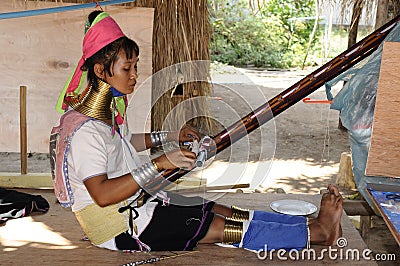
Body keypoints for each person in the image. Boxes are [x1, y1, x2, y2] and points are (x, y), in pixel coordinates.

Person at [50, 10, 343, 253]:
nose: (135, 75)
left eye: (135, 66)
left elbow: (123, 145)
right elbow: (101, 195)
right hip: (119, 227)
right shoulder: (86, 131)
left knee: (212, 208)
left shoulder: (105, 115)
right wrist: (160, 163)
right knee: (215, 227)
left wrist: (169, 137)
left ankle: (307, 225)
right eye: (127, 68)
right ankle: (317, 235)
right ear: (101, 71)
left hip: (134, 207)